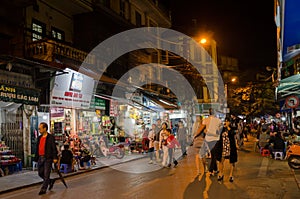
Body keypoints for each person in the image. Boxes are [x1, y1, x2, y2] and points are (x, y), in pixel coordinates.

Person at [34, 122, 58, 195]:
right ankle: (50, 181)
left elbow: (54, 148)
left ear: (45, 128)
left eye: (40, 128)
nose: (39, 130)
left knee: (46, 174)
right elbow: (37, 148)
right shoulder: (39, 138)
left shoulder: (50, 137)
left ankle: (43, 188)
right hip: (40, 158)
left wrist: (55, 157)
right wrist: (36, 157)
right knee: (40, 173)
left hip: (48, 158)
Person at [199, 108, 222, 175]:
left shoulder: (205, 120)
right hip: (216, 139)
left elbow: (203, 130)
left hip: (208, 140)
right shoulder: (218, 120)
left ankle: (215, 169)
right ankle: (211, 169)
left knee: (213, 154)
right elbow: (219, 130)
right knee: (214, 155)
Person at [215, 117, 238, 183]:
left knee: (232, 162)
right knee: (221, 161)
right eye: (225, 121)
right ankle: (221, 174)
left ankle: (231, 175)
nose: (226, 122)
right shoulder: (222, 129)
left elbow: (232, 133)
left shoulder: (232, 128)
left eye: (227, 121)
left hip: (230, 147)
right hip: (223, 147)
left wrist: (228, 127)